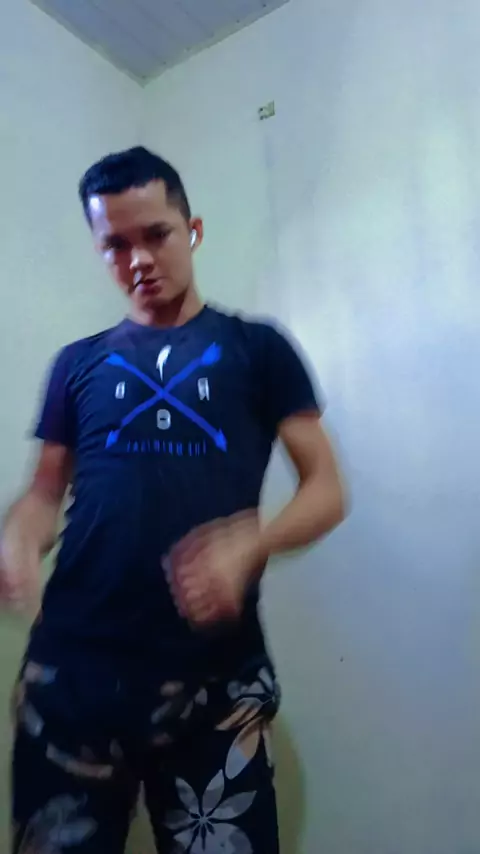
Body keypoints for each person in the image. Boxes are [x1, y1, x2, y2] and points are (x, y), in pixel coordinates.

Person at [1, 147, 345, 854]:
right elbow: (43, 495)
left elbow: (326, 488)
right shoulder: (76, 363)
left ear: (192, 229)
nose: (138, 259)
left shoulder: (257, 348)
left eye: (156, 234)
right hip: (71, 676)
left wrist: (252, 542)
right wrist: (19, 539)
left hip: (214, 681)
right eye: (115, 244)